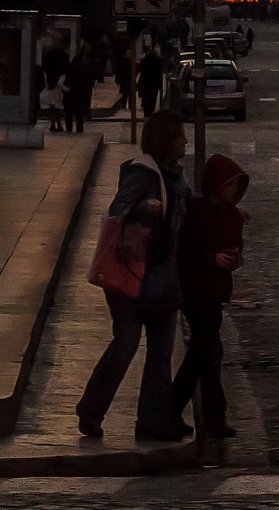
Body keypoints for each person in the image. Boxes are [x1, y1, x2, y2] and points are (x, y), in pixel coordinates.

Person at [76, 111, 191, 443]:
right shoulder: (143, 173)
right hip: (132, 278)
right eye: (180, 135)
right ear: (166, 140)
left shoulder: (176, 178)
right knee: (125, 345)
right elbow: (118, 210)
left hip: (164, 281)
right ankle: (91, 410)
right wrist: (143, 210)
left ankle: (152, 422)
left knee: (160, 353)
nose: (185, 140)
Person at [170, 152, 249, 439]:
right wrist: (211, 258)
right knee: (211, 351)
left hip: (216, 290)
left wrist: (232, 259)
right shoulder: (196, 211)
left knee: (199, 353)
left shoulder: (232, 216)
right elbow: (186, 251)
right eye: (230, 185)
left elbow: (234, 246)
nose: (234, 191)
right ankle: (215, 416)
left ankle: (171, 408)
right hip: (195, 289)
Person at [65, 43, 97, 136]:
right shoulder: (80, 67)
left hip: (75, 92)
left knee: (72, 113)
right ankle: (77, 129)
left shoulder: (72, 69)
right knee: (77, 113)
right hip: (78, 92)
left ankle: (71, 129)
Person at [137, 37, 164, 117]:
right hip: (154, 84)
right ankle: (150, 113)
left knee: (145, 99)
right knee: (152, 99)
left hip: (145, 83)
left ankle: (146, 113)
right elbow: (160, 72)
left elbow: (139, 69)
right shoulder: (158, 61)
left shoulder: (144, 60)